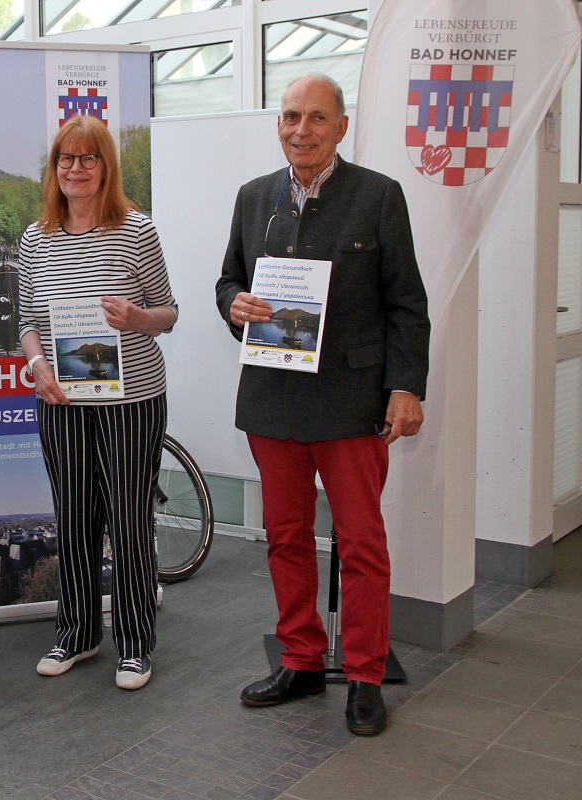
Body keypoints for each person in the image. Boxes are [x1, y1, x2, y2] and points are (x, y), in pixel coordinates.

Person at [214, 74, 430, 736]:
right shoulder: (255, 198)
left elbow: (407, 303)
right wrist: (234, 305)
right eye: (289, 118)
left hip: (350, 403)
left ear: (340, 126)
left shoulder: (378, 196)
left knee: (361, 543)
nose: (300, 130)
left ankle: (364, 675)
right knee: (284, 538)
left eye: (314, 118)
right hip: (273, 404)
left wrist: (406, 387)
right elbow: (228, 279)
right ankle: (302, 659)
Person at [20, 114, 178, 691]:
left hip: (132, 398)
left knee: (130, 518)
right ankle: (78, 632)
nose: (76, 168)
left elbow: (168, 311)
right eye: (66, 158)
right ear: (54, 169)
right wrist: (39, 368)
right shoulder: (34, 238)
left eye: (88, 159)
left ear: (105, 167)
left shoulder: (137, 231)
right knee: (75, 515)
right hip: (61, 399)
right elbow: (28, 322)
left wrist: (136, 318)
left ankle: (135, 642)